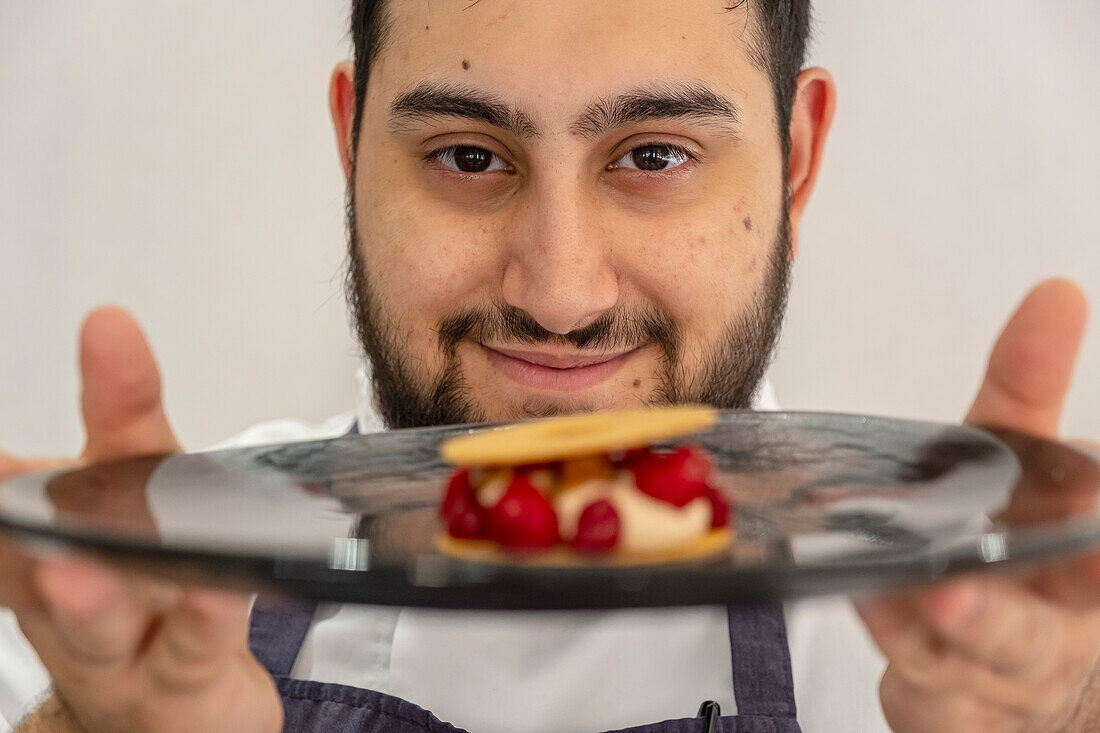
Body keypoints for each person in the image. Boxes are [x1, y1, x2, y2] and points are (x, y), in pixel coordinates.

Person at [1, 0, 1098, 731]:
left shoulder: (991, 637)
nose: (559, 292)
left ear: (795, 158)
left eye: (654, 155)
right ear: (350, 148)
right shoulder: (109, 620)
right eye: (468, 156)